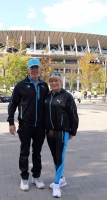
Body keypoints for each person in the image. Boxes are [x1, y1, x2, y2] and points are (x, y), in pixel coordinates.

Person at [8, 58, 49, 191]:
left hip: (40, 126)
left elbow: (48, 105)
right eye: (32, 68)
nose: (34, 70)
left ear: (40, 69)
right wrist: (11, 122)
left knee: (37, 152)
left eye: (37, 67)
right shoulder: (21, 85)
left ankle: (36, 176)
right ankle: (24, 178)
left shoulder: (44, 85)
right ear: (28, 69)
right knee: (24, 152)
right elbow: (12, 104)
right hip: (25, 125)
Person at [44, 73, 79, 198]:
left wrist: (72, 131)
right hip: (49, 131)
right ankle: (62, 178)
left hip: (62, 131)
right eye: (52, 81)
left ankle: (57, 184)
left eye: (56, 81)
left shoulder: (67, 96)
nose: (54, 83)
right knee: (55, 156)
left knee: (60, 157)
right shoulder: (47, 96)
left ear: (61, 82)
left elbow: (73, 115)